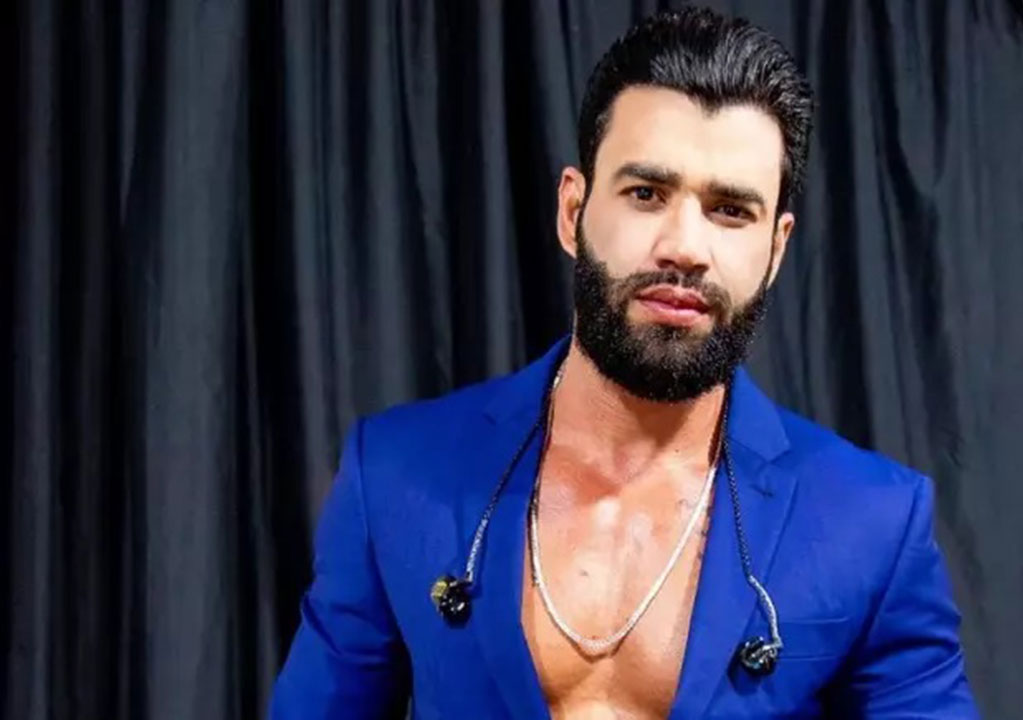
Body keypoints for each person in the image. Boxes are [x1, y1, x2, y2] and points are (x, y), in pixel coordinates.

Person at [270, 7, 978, 719]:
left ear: (776, 249)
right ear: (572, 210)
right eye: (646, 194)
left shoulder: (871, 523)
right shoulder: (397, 475)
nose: (684, 246)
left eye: (731, 210)